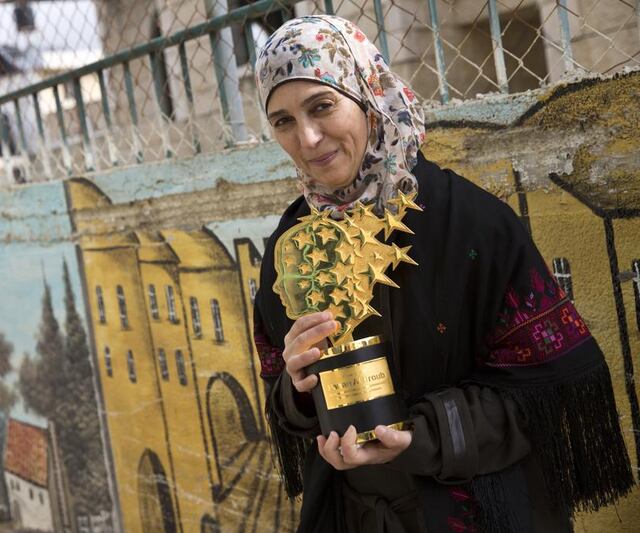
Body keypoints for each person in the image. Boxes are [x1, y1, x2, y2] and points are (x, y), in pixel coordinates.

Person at [252, 15, 634, 533]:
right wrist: (299, 388)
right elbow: (286, 401)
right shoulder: (291, 247)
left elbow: (545, 395)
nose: (308, 137)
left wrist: (419, 437)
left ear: (367, 93)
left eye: (322, 106)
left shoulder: (472, 225)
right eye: (283, 122)